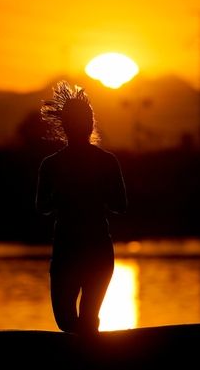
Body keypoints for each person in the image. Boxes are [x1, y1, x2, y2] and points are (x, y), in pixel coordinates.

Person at [36, 81, 127, 335]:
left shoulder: (52, 165)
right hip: (92, 249)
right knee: (81, 321)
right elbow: (121, 205)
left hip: (72, 251)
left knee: (72, 322)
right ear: (90, 124)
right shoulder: (106, 162)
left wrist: (67, 196)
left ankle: (86, 362)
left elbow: (42, 207)